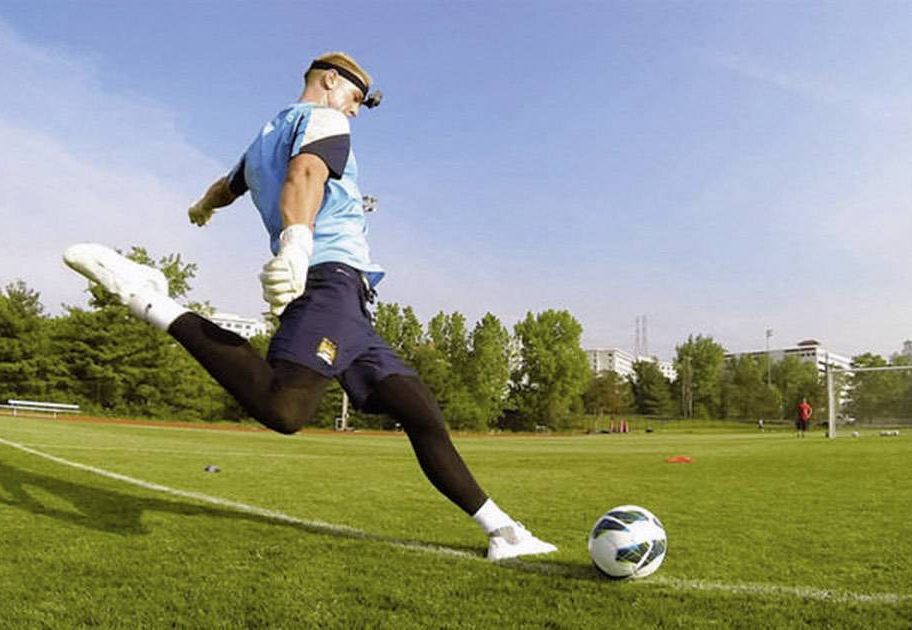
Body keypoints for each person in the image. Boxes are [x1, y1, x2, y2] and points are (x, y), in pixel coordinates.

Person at [62, 52, 556, 561]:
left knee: (420, 411)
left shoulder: (261, 142)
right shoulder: (323, 119)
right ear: (330, 80)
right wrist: (297, 242)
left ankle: (504, 532)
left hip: (351, 306)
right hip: (328, 279)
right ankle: (148, 299)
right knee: (285, 407)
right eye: (355, 98)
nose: (356, 111)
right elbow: (305, 174)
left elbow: (225, 188)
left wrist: (201, 207)